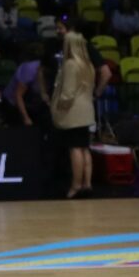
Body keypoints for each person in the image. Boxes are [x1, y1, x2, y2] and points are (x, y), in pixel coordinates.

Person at [50, 30, 100, 197]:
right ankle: (87, 183)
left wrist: (59, 106)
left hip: (73, 112)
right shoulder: (88, 64)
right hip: (86, 110)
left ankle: (75, 186)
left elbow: (68, 93)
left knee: (75, 149)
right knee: (84, 148)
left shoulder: (71, 64)